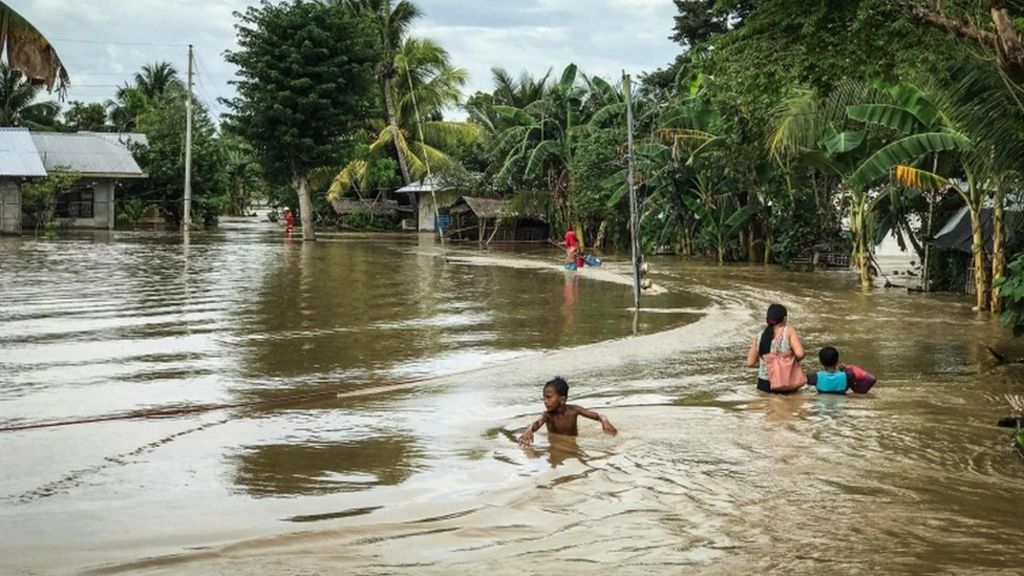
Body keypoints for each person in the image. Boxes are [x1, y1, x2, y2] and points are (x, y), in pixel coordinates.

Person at [518, 376, 617, 445]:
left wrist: (605, 422)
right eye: (544, 398)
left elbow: (599, 415)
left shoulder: (574, 410)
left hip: (573, 443)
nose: (545, 401)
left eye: (549, 397)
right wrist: (529, 430)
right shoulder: (547, 415)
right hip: (556, 446)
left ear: (562, 399)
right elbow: (537, 423)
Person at [745, 303, 805, 393]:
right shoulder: (788, 331)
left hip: (764, 383)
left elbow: (750, 363)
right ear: (785, 318)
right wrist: (789, 363)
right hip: (785, 380)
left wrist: (769, 364)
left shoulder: (760, 335)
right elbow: (800, 354)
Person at [807, 346, 877, 394]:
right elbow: (871, 379)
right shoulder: (847, 376)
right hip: (841, 407)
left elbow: (799, 380)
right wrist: (848, 368)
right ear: (837, 361)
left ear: (821, 362)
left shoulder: (815, 377)